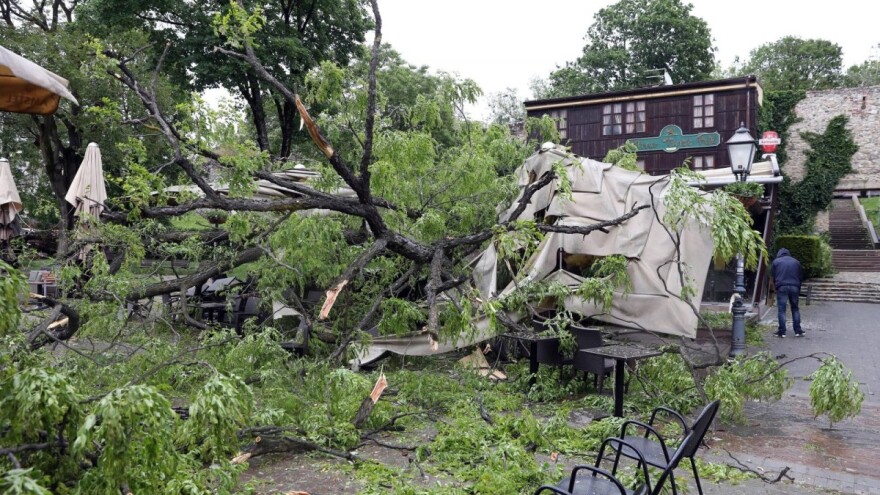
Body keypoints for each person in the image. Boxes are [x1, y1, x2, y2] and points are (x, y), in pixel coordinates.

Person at [770, 248, 804, 337]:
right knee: (795, 308)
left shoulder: (776, 262)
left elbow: (773, 276)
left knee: (781, 309)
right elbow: (800, 276)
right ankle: (798, 331)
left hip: (781, 286)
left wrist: (775, 288)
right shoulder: (796, 262)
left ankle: (782, 331)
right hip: (794, 286)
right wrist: (798, 287)